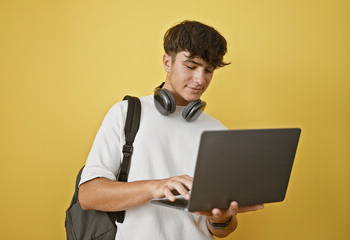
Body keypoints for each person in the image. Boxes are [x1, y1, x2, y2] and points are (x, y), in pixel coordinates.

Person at [78, 20, 264, 239]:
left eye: (209, 70)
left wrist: (221, 219)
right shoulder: (126, 113)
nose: (200, 80)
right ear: (167, 62)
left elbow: (221, 230)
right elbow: (89, 195)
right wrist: (155, 188)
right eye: (191, 66)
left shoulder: (218, 131)